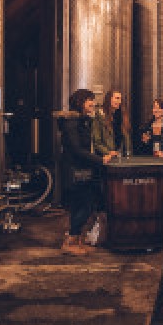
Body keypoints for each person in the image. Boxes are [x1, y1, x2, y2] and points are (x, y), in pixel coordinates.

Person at [60, 88, 117, 254]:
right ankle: (70, 241)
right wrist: (101, 160)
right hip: (75, 170)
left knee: (81, 205)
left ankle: (76, 241)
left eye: (92, 100)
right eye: (89, 100)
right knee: (86, 204)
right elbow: (77, 150)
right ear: (80, 102)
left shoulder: (82, 120)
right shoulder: (71, 123)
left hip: (82, 169)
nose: (92, 103)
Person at [92, 88, 131, 159]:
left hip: (120, 156)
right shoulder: (100, 116)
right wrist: (108, 152)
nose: (119, 101)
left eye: (120, 99)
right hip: (106, 157)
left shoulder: (121, 115)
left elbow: (125, 138)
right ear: (109, 99)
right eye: (117, 98)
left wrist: (128, 153)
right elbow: (97, 141)